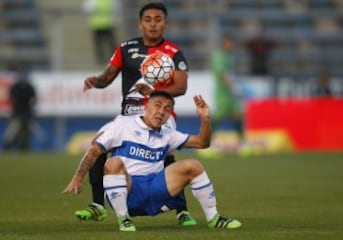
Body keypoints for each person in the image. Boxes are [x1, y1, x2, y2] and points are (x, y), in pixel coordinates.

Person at [75, 2, 195, 226]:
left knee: (166, 156)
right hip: (130, 116)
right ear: (140, 24)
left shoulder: (174, 53)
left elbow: (180, 87)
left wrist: (154, 92)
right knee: (99, 145)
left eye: (158, 20)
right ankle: (98, 206)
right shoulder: (125, 48)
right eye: (148, 20)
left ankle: (182, 209)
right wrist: (96, 81)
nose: (152, 24)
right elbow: (108, 77)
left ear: (165, 23)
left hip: (159, 114)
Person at [63, 91, 242, 231]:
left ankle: (214, 218)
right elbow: (94, 150)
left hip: (156, 189)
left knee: (194, 165)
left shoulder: (168, 134)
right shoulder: (123, 126)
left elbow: (203, 143)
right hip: (129, 190)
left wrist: (205, 119)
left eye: (167, 109)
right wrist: (78, 177)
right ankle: (124, 219)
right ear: (146, 107)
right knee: (113, 162)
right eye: (157, 105)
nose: (161, 112)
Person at [207, 34, 242, 154]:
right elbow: (222, 74)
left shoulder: (230, 57)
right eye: (229, 43)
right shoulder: (219, 56)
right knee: (219, 116)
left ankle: (241, 141)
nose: (231, 45)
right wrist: (232, 87)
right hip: (222, 92)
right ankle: (208, 142)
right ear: (224, 43)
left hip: (230, 92)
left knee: (238, 114)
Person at [3, 68, 37, 151]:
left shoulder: (30, 87)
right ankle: (8, 145)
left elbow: (34, 100)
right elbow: (12, 99)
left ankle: (24, 146)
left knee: (25, 133)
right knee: (13, 131)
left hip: (27, 114)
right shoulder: (15, 88)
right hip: (17, 114)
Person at [83, 0, 119, 65]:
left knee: (101, 45)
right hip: (106, 24)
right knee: (109, 44)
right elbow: (116, 8)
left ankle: (102, 60)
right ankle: (112, 60)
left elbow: (87, 9)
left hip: (99, 24)